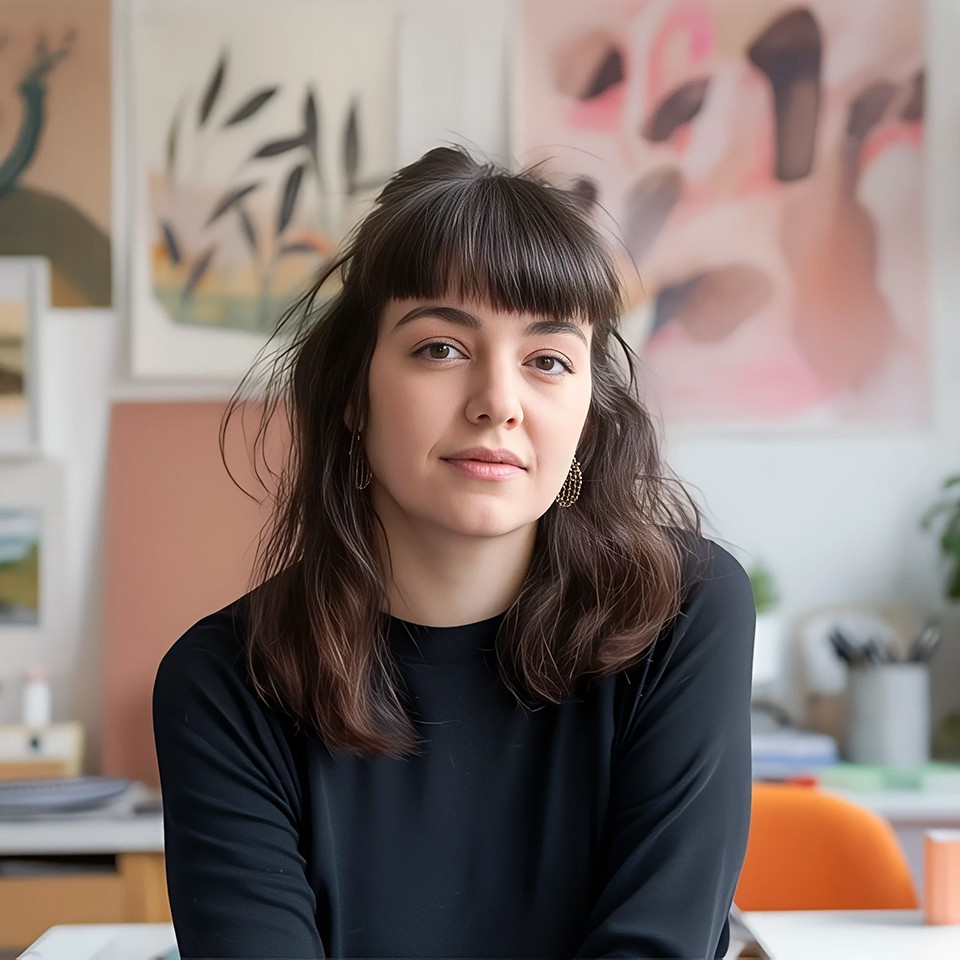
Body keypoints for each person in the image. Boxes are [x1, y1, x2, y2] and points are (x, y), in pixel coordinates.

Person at [153, 145, 755, 959]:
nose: (498, 403)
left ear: (586, 413)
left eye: (547, 360)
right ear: (353, 396)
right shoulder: (226, 681)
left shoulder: (683, 612)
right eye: (442, 347)